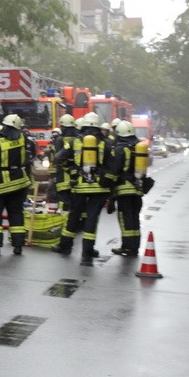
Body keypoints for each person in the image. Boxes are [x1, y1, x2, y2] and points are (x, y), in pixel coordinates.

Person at [52, 111, 116, 265]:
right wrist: (107, 183)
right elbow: (113, 166)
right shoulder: (106, 144)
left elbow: (58, 158)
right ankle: (88, 250)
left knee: (74, 215)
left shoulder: (75, 142)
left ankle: (65, 246)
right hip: (99, 189)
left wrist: (72, 171)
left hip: (79, 186)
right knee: (92, 217)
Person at [0, 114, 33, 255]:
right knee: (16, 213)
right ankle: (18, 246)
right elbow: (29, 156)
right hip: (19, 182)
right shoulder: (22, 138)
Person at [105, 120, 149, 256]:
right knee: (135, 218)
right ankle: (134, 246)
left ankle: (127, 247)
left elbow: (115, 171)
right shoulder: (138, 147)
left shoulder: (120, 149)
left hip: (124, 190)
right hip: (138, 189)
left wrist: (110, 193)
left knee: (125, 219)